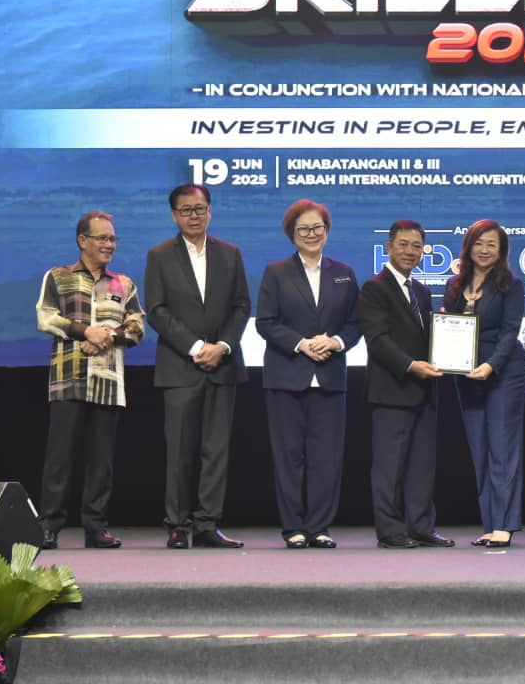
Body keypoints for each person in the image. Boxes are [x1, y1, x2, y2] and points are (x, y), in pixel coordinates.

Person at [145, 184, 250, 549]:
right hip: (179, 367)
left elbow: (241, 306)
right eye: (186, 210)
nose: (194, 215)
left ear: (210, 211)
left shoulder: (230, 253)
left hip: (223, 365)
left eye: (200, 209)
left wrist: (222, 346)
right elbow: (156, 310)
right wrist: (195, 347)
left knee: (216, 450)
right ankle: (177, 525)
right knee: (179, 451)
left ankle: (207, 524)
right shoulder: (159, 255)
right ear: (174, 215)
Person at [256, 200, 361, 549]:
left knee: (326, 459)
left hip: (331, 377)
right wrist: (300, 344)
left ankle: (319, 527)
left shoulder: (344, 272)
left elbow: (356, 323)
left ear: (327, 230)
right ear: (292, 234)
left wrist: (335, 342)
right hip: (285, 377)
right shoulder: (276, 272)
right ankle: (294, 528)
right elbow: (266, 322)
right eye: (303, 229)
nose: (311, 234)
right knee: (289, 458)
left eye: (317, 227)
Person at [35, 211, 144, 549]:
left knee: (101, 461)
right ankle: (49, 526)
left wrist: (106, 336)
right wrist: (84, 331)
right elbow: (46, 317)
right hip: (68, 378)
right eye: (102, 238)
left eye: (112, 239)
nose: (109, 244)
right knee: (60, 458)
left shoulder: (123, 284)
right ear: (83, 241)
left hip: (108, 382)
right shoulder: (58, 277)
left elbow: (137, 326)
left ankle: (96, 527)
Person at [355, 220, 452, 549]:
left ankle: (421, 527)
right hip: (392, 391)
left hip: (425, 392)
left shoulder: (421, 291)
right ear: (389, 248)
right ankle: (390, 530)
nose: (410, 251)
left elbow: (424, 338)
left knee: (422, 466)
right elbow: (377, 340)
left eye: (416, 246)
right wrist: (411, 366)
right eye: (403, 245)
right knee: (389, 467)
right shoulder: (374, 288)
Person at [442, 220, 525, 548]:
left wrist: (491, 365)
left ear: (501, 249)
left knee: (502, 449)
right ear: (468, 247)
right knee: (480, 451)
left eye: (492, 244)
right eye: (479, 243)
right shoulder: (454, 283)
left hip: (503, 372)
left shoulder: (511, 284)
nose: (485, 249)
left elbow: (510, 332)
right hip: (466, 375)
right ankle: (491, 524)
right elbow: (449, 325)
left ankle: (505, 524)